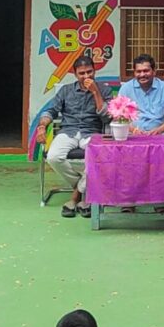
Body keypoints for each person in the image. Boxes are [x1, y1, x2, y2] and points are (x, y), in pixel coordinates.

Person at [35, 55, 113, 219]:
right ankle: (83, 187)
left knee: (98, 157)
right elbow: (51, 111)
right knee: (53, 157)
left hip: (92, 132)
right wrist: (42, 126)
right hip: (68, 131)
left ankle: (75, 196)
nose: (86, 76)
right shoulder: (66, 90)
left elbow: (107, 118)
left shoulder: (104, 90)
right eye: (82, 73)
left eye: (89, 72)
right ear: (75, 74)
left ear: (95, 71)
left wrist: (95, 92)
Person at [117, 54, 164, 136]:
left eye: (146, 71)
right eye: (138, 71)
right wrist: (132, 130)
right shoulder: (126, 88)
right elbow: (118, 115)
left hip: (159, 136)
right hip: (132, 135)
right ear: (134, 72)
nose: (142, 75)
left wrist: (159, 130)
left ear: (154, 71)